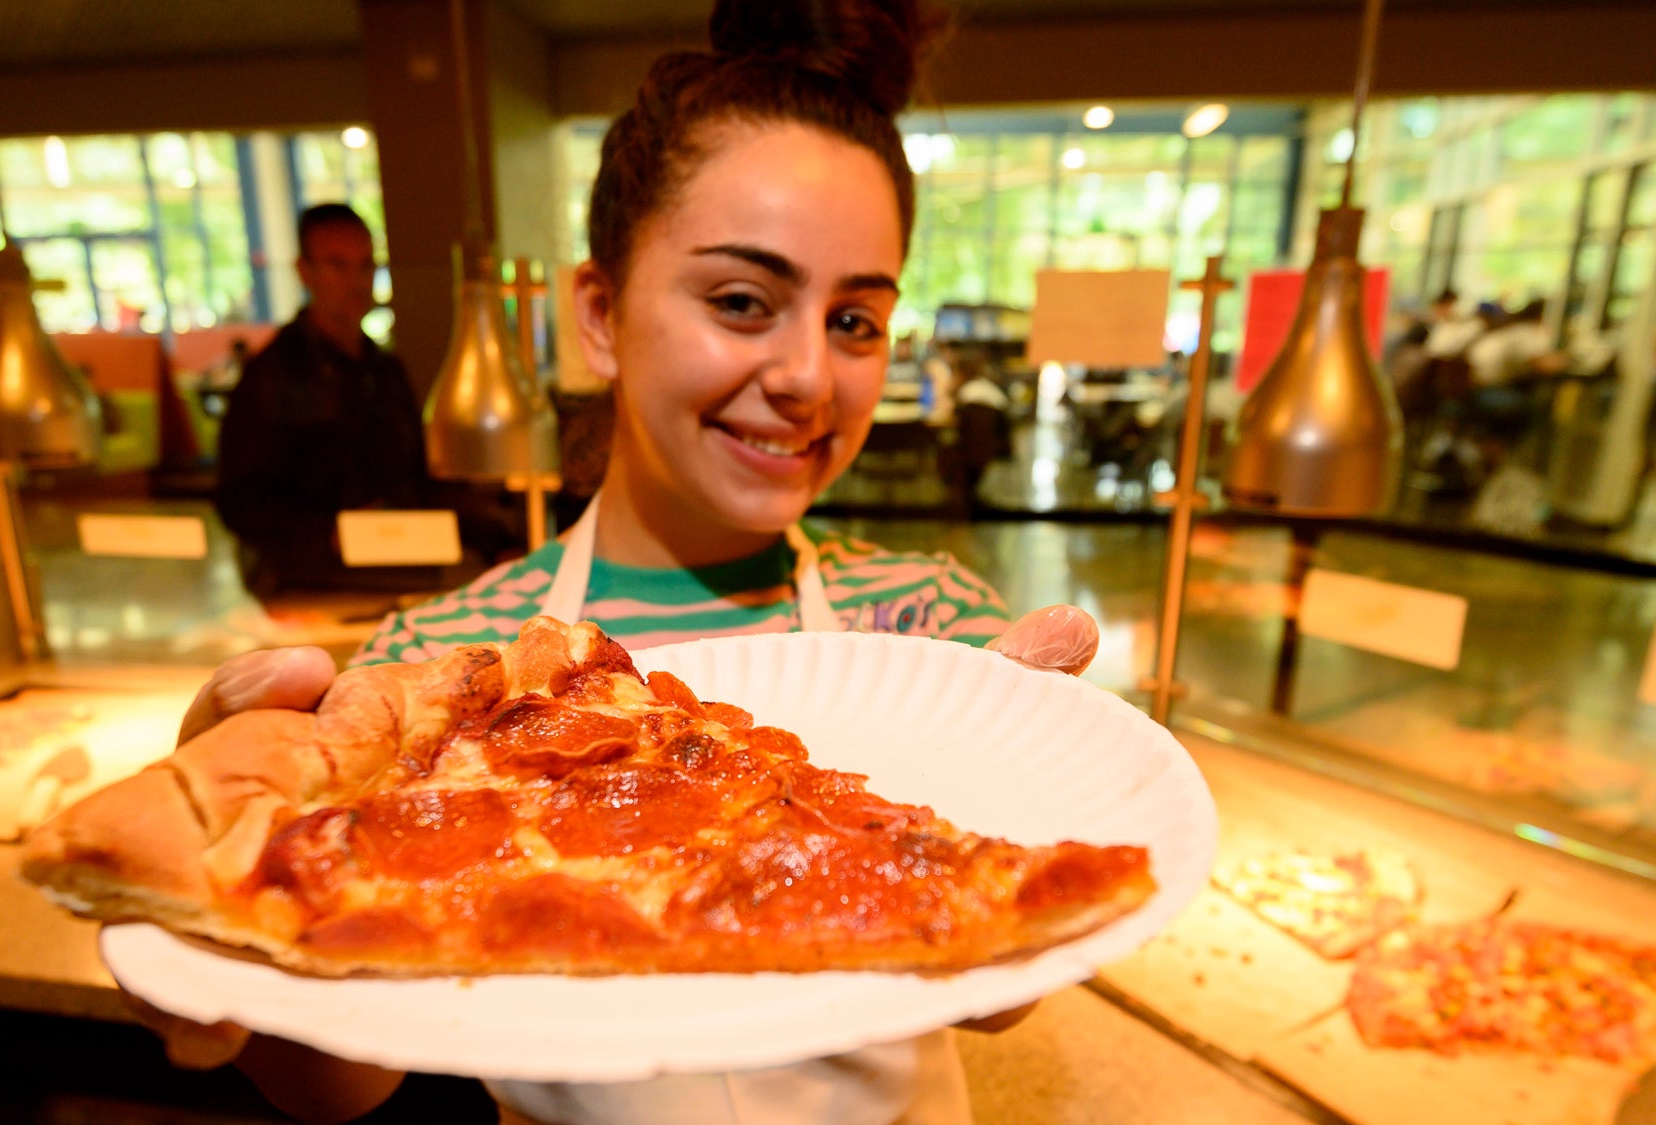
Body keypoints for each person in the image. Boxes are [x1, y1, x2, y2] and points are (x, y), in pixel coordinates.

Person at [133, 1, 1101, 1121]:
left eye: (856, 323)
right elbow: (349, 1073)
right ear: (599, 315)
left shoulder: (932, 621)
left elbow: (993, 978)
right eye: (742, 300)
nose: (804, 375)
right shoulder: (439, 661)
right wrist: (247, 949)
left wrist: (1011, 782)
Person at [212, 203, 434, 596]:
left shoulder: (384, 368)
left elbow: (419, 475)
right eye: (338, 265)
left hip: (403, 578)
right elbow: (240, 499)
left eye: (366, 266)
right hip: (311, 587)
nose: (356, 281)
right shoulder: (272, 374)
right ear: (305, 271)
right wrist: (327, 535)